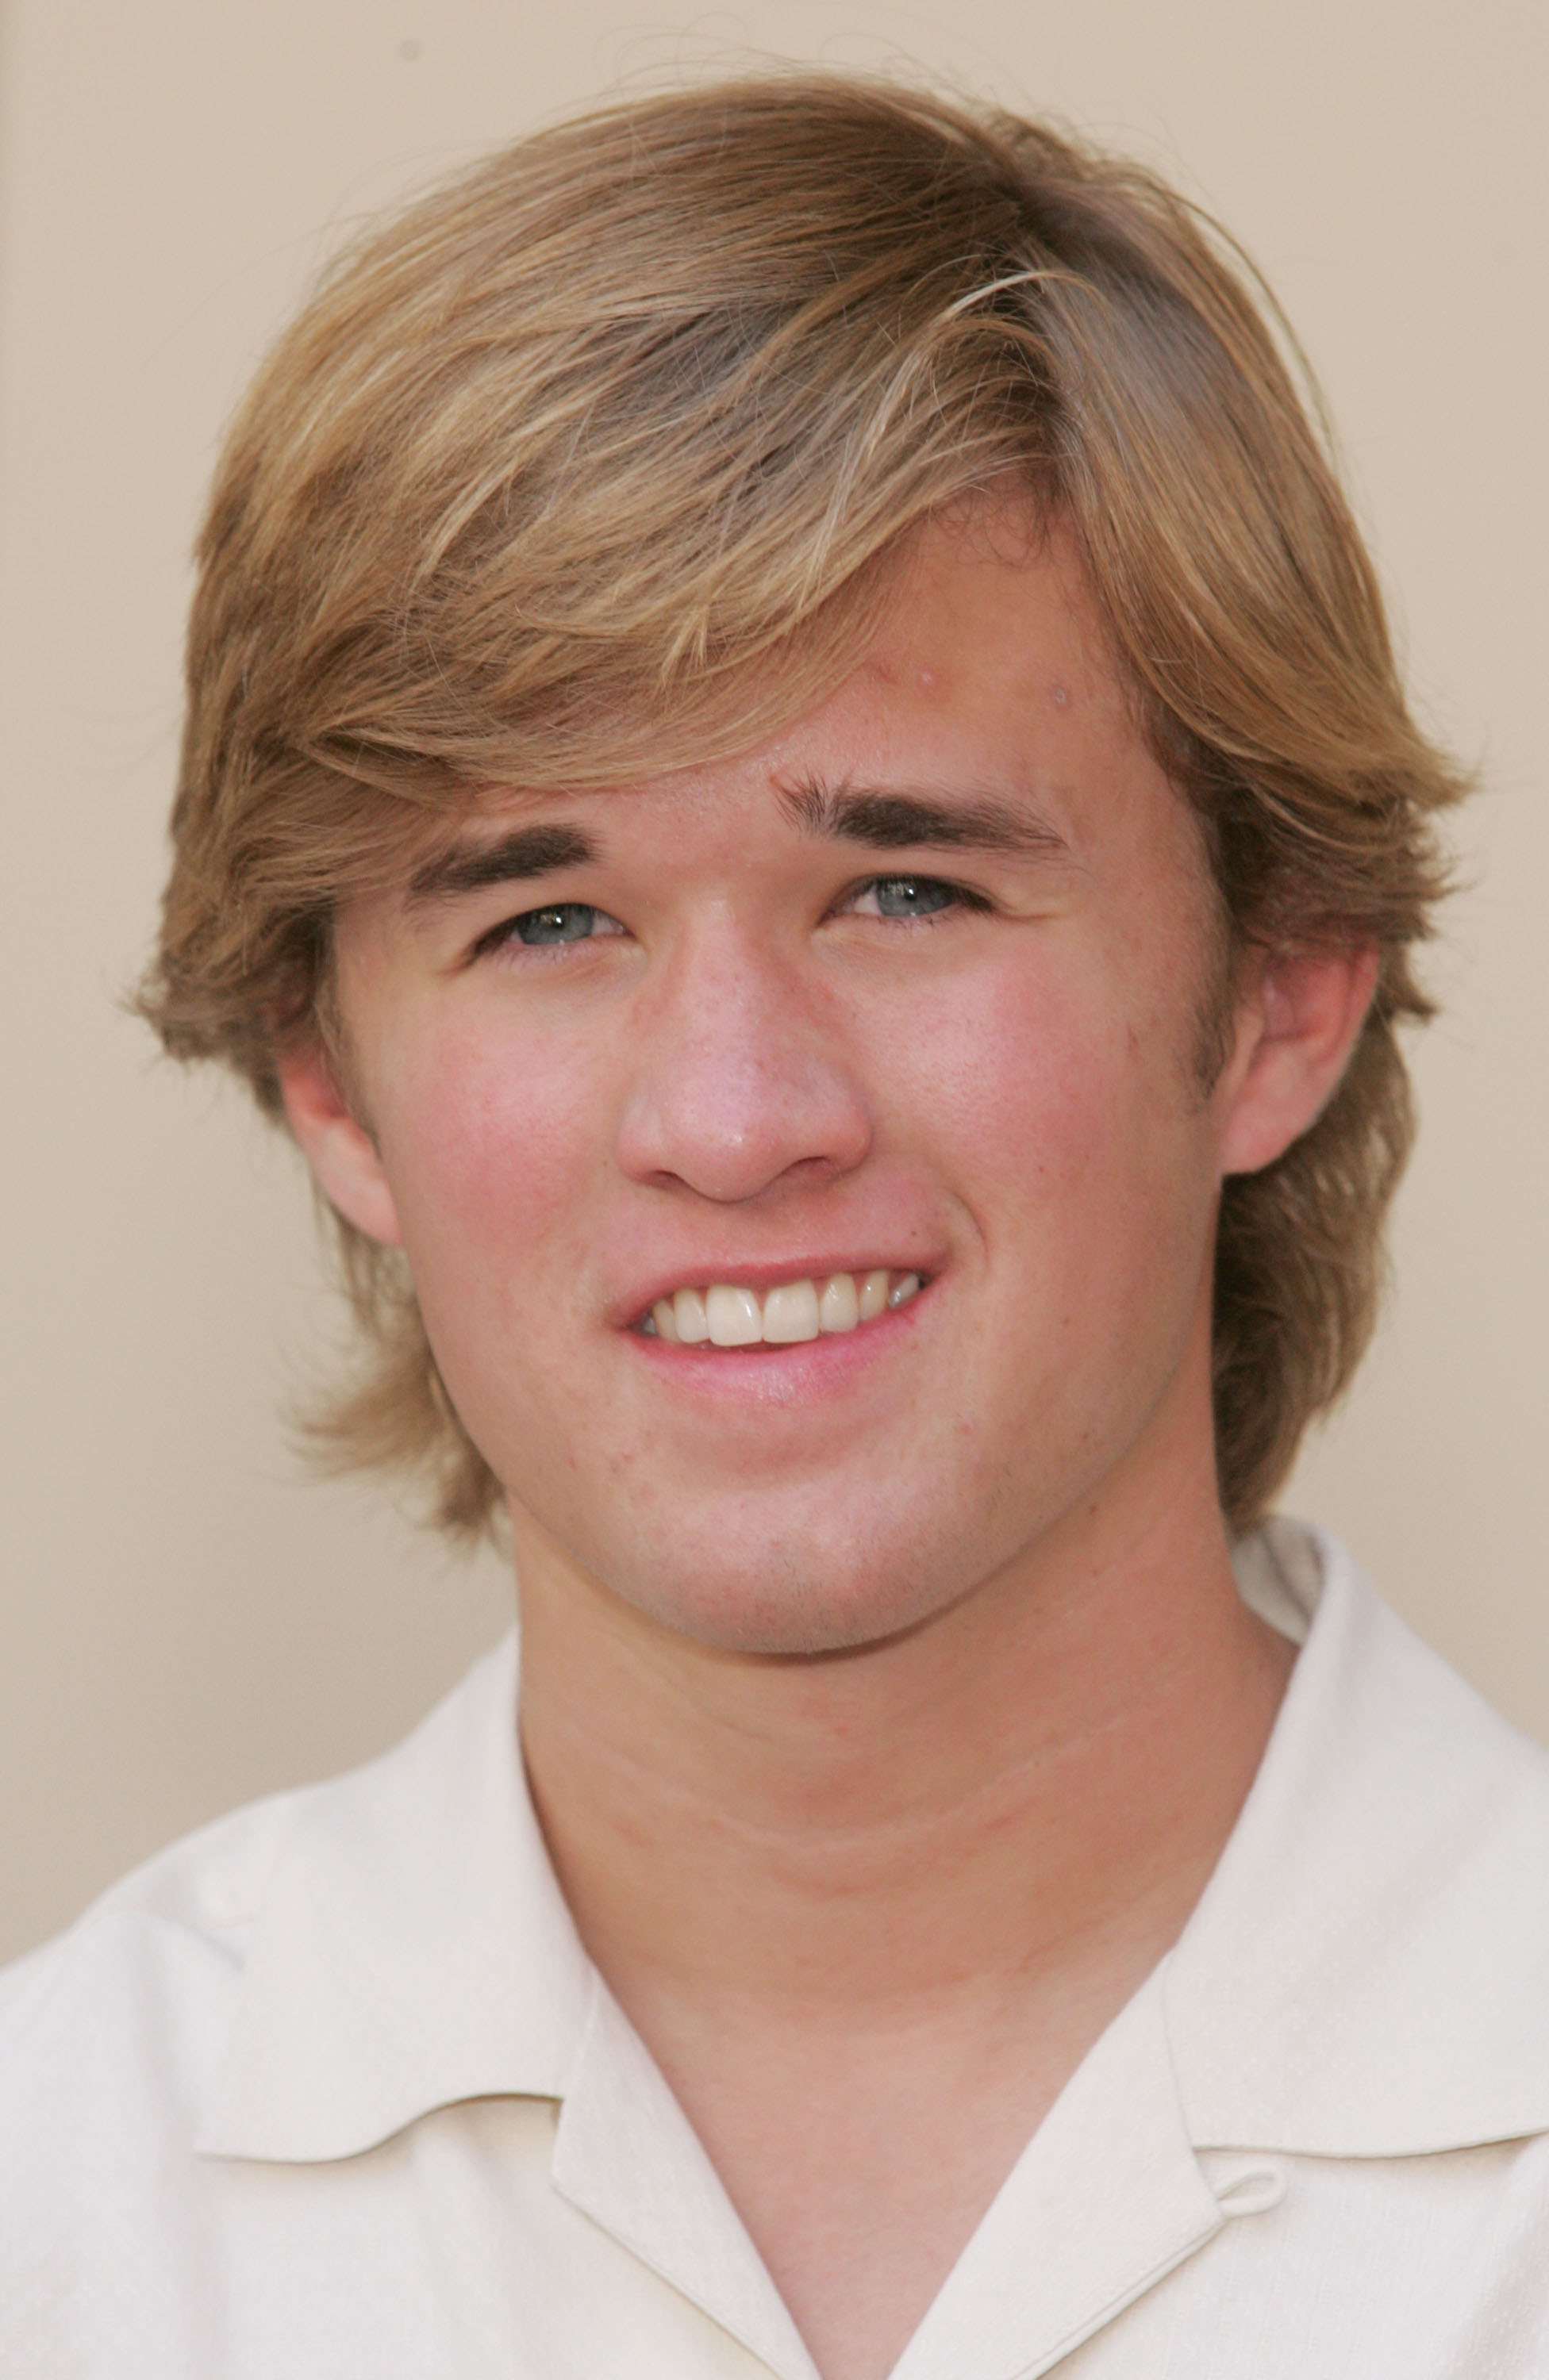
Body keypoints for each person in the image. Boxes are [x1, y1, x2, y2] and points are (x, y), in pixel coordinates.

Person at [3, 71, 1546, 2380]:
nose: (734, 1119)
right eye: (543, 920)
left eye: (907, 885)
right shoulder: (57, 2201)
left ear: (1280, 991)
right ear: (332, 1081)